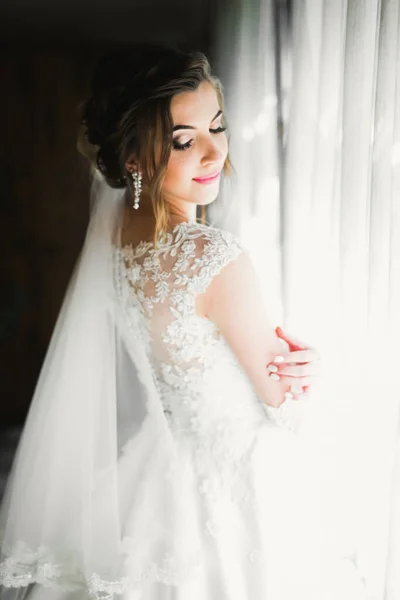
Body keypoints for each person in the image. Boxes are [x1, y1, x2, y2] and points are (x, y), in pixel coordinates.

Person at [0, 44, 366, 600]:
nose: (213, 153)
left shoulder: (118, 237)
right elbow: (285, 410)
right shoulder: (214, 257)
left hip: (154, 479)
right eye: (182, 140)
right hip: (235, 493)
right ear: (134, 160)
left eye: (216, 127)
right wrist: (319, 373)